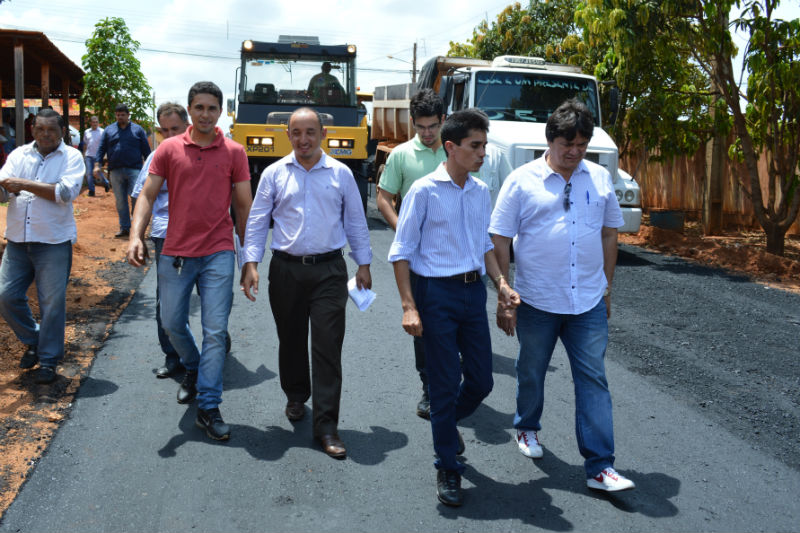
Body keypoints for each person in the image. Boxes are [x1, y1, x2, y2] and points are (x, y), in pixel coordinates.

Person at [489, 98, 635, 492]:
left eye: (582, 145)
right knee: (532, 371)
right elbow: (499, 237)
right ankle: (526, 427)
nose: (574, 152)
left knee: (594, 380)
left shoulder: (600, 179)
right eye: (567, 144)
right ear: (549, 140)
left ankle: (600, 466)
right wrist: (505, 290)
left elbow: (609, 234)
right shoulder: (521, 180)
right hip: (537, 299)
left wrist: (606, 287)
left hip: (587, 300)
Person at [388, 108, 520, 507]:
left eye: (484, 145)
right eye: (475, 146)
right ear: (451, 147)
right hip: (435, 296)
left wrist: (501, 285)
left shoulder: (480, 191)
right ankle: (447, 465)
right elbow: (401, 251)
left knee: (482, 382)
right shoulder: (424, 191)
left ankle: (444, 423)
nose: (483, 153)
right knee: (444, 384)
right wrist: (409, 306)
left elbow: (483, 245)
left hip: (470, 295)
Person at [240, 107, 372, 460]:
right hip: (285, 271)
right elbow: (256, 222)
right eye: (296, 133)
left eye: (310, 132)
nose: (304, 140)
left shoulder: (341, 174)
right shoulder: (273, 174)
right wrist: (250, 263)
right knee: (292, 339)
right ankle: (296, 395)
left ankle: (327, 426)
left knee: (328, 347)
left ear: (323, 134)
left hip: (329, 271)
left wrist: (364, 263)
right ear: (288, 136)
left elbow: (357, 221)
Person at [127, 82, 252, 441]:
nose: (205, 114)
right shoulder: (167, 149)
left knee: (215, 331)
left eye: (212, 108)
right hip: (177, 252)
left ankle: (209, 406)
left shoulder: (234, 152)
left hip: (218, 252)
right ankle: (194, 368)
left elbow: (243, 207)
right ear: (190, 109)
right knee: (171, 323)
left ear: (221, 112)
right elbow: (147, 194)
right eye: (199, 107)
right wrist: (136, 235)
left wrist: (249, 259)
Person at [0, 109, 85, 384]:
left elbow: (64, 192)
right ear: (32, 130)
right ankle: (34, 339)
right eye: (40, 129)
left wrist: (22, 184)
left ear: (62, 131)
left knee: (52, 304)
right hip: (17, 240)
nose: (45, 134)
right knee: (5, 295)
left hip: (53, 242)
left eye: (51, 129)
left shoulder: (71, 157)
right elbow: (4, 188)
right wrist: (6, 188)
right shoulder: (18, 155)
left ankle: (48, 361)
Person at [376, 88, 446, 420]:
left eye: (432, 126)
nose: (427, 133)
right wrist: (403, 230)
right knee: (423, 324)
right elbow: (384, 199)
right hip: (418, 258)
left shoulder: (457, 152)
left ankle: (450, 374)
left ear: (443, 121)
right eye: (421, 127)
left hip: (457, 255)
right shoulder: (401, 155)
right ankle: (430, 388)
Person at [94, 103, 151, 238]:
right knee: (120, 201)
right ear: (115, 115)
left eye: (123, 115)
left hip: (135, 170)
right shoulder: (109, 130)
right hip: (115, 170)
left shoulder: (138, 130)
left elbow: (147, 151)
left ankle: (137, 226)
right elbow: (101, 149)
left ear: (128, 115)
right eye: (118, 115)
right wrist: (97, 165)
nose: (120, 117)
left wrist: (149, 169)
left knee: (136, 198)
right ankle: (125, 228)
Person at [82, 116, 110, 196]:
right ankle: (91, 190)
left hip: (98, 156)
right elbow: (85, 144)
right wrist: (84, 154)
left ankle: (106, 183)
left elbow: (105, 144)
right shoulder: (87, 132)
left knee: (97, 172)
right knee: (88, 173)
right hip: (88, 156)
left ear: (98, 123)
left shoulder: (102, 132)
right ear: (90, 123)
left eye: (96, 122)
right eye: (93, 122)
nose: (95, 123)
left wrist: (105, 155)